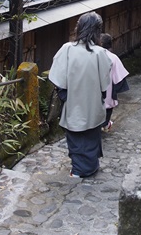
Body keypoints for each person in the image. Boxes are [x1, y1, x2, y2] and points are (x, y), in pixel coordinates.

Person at [48, 12, 112, 178]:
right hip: (92, 103)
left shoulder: (67, 49)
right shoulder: (100, 53)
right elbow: (105, 83)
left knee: (75, 138)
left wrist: (66, 95)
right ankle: (90, 166)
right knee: (91, 136)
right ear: (97, 31)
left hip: (73, 101)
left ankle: (78, 170)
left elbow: (57, 78)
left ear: (79, 28)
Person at [99, 33, 130, 132]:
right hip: (108, 88)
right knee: (107, 106)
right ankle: (105, 125)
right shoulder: (113, 57)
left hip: (93, 87)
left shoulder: (93, 54)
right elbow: (120, 76)